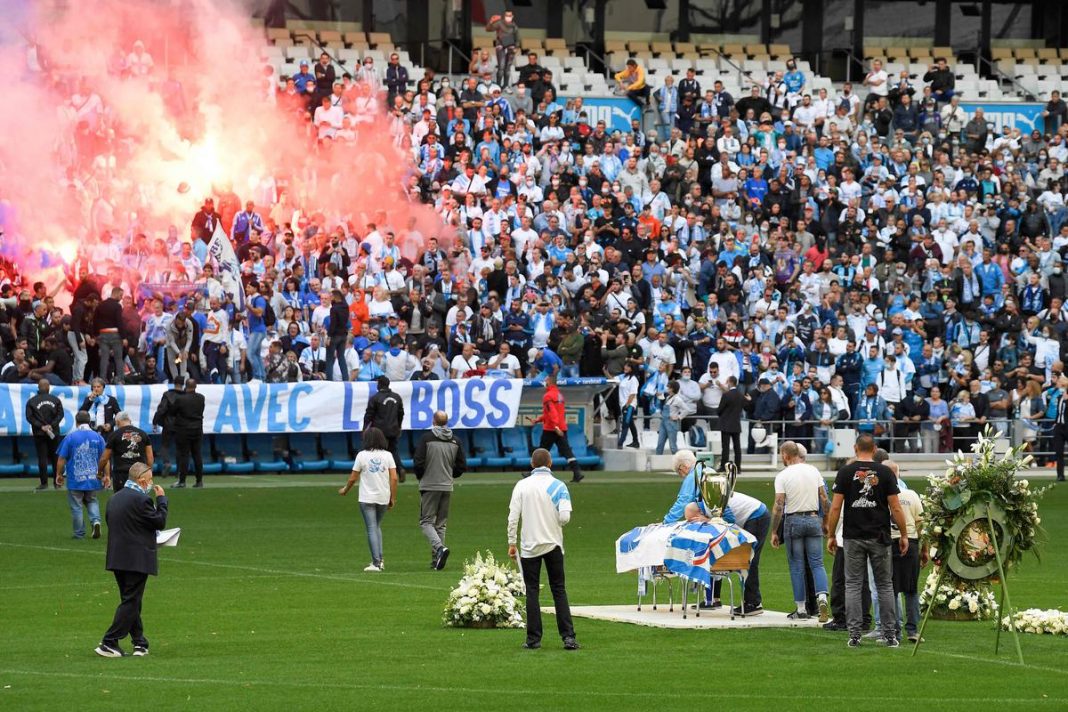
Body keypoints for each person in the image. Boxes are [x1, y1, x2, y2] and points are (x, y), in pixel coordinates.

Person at [825, 434, 910, 648]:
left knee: (853, 584)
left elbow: (835, 507)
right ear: (874, 449)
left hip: (853, 536)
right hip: (880, 535)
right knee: (884, 584)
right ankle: (890, 634)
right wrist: (904, 534)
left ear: (855, 448)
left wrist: (831, 534)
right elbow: (896, 507)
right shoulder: (885, 472)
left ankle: (854, 634)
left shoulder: (845, 472)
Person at [507, 447, 579, 651]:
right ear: (550, 464)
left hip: (529, 546)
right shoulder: (559, 486)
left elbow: (513, 517)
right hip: (553, 544)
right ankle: (568, 637)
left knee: (531, 591)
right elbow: (565, 517)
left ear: (531, 464)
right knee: (559, 590)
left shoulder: (522, 485)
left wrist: (512, 543)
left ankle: (533, 639)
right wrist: (554, 523)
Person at [94, 462, 168, 658]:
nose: (151, 483)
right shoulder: (141, 500)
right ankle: (110, 641)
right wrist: (161, 500)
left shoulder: (114, 499)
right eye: (150, 480)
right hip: (136, 558)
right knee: (132, 601)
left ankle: (139, 642)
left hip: (117, 556)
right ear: (142, 480)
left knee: (130, 600)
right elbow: (159, 521)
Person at [768, 440, 830, 621]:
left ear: (785, 455)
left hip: (793, 520)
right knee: (817, 563)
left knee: (797, 566)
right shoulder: (813, 470)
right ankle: (822, 599)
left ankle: (801, 608)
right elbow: (824, 499)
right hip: (813, 519)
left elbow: (779, 505)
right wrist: (825, 522)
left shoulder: (783, 476)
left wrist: (774, 531)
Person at [338, 426, 398, 572]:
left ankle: (376, 563)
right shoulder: (388, 455)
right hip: (383, 496)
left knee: (371, 528)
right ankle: (380, 559)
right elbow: (394, 478)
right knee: (376, 527)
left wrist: (345, 489)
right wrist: (393, 497)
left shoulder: (362, 455)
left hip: (367, 497)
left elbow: (353, 477)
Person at [413, 410, 467, 570]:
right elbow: (462, 465)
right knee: (441, 524)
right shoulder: (455, 440)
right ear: (447, 422)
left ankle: (439, 548)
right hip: (446, 485)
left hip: (429, 484)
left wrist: (421, 477)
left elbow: (418, 462)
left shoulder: (426, 438)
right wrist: (450, 475)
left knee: (426, 521)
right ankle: (436, 559)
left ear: (433, 421)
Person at [885, 460, 926, 643]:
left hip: (889, 542)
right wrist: (924, 549)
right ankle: (912, 630)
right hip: (911, 542)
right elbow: (921, 523)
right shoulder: (911, 495)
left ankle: (894, 630)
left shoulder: (882, 496)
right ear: (898, 474)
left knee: (891, 588)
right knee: (911, 589)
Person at [55, 411, 107, 540]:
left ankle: (79, 534)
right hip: (93, 478)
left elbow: (61, 459)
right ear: (89, 421)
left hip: (75, 479)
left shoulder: (70, 437)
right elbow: (104, 458)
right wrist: (106, 475)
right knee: (92, 500)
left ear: (76, 421)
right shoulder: (98, 437)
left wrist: (58, 474)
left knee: (76, 507)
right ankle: (96, 521)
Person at [726, 489, 770, 616]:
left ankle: (753, 602)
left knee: (749, 558)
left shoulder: (712, 500)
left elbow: (729, 519)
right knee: (747, 558)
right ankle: (751, 600)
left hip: (756, 515)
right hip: (754, 514)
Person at [533, 374, 584, 482]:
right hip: (561, 428)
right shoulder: (559, 395)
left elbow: (552, 412)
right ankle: (577, 472)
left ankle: (533, 474)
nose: (544, 383)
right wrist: (538, 420)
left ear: (549, 382)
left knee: (542, 451)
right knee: (567, 451)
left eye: (546, 381)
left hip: (551, 429)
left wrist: (555, 426)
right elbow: (553, 413)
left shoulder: (548, 396)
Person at [364, 376, 406, 482]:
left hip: (379, 431)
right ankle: (400, 468)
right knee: (393, 451)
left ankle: (381, 474)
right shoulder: (397, 397)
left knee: (378, 451)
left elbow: (369, 415)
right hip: (393, 429)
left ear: (379, 384)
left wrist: (365, 428)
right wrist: (399, 426)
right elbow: (401, 413)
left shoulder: (375, 398)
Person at [99, 411, 154, 492]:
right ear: (129, 420)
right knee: (139, 501)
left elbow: (104, 458)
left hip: (121, 474)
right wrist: (148, 473)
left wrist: (99, 472)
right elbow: (150, 458)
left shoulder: (114, 435)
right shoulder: (143, 434)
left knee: (121, 501)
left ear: (117, 422)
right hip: (139, 473)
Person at [26, 378, 63, 491]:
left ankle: (44, 483)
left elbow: (29, 417)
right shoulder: (55, 400)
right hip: (54, 433)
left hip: (39, 433)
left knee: (42, 458)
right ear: (48, 388)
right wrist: (52, 425)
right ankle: (57, 482)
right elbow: (60, 415)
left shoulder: (32, 401)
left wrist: (41, 426)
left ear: (38, 387)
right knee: (55, 457)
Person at [172, 378, 205, 488]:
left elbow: (173, 411)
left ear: (185, 386)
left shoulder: (181, 399)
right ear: (195, 386)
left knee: (184, 455)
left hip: (184, 430)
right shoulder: (201, 398)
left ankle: (182, 481)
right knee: (197, 455)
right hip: (197, 429)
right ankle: (199, 480)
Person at [717, 375, 748, 472]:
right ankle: (738, 467)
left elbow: (719, 410)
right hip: (736, 424)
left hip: (726, 424)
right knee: (737, 447)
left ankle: (723, 466)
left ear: (730, 382)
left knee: (725, 447)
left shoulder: (726, 395)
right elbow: (745, 407)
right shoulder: (740, 395)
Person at [152, 383, 181, 478]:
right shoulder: (185, 395)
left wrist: (155, 421)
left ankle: (167, 462)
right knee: (180, 448)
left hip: (168, 423)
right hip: (181, 424)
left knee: (164, 445)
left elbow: (161, 409)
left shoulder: (167, 395)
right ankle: (179, 471)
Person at [486, 10, 519, 90]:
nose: (508, 17)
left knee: (508, 68)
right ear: (504, 16)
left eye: (510, 15)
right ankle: (498, 85)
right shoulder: (499, 23)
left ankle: (506, 85)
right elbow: (488, 29)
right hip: (501, 47)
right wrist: (491, 21)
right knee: (501, 66)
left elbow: (517, 38)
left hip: (511, 47)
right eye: (507, 15)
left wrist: (516, 48)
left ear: (512, 16)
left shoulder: (514, 26)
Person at [1052, 374, 1068, 482]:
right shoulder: (1058, 396)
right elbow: (1059, 412)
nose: (1056, 383)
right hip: (1059, 426)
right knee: (1059, 452)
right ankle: (1060, 475)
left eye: (1059, 381)